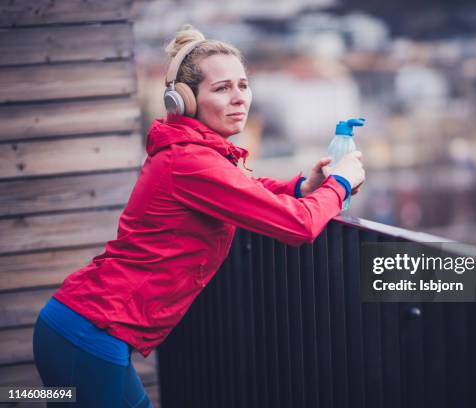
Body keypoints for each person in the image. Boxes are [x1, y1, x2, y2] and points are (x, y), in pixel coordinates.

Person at [32, 24, 365, 407]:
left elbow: (245, 190)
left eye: (243, 85)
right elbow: (299, 225)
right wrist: (339, 184)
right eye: (222, 88)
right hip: (87, 336)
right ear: (184, 101)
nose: (239, 98)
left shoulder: (196, 154)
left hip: (79, 329)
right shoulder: (189, 161)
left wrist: (300, 188)